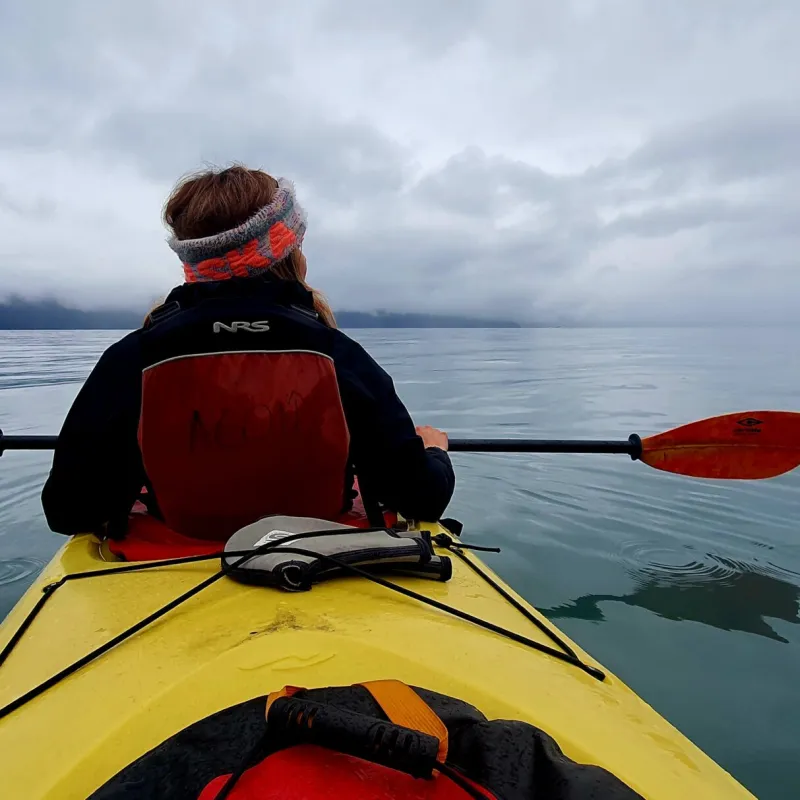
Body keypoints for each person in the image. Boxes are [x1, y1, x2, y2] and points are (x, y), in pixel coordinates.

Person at [41, 166, 455, 542]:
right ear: (288, 253)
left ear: (193, 261)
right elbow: (422, 498)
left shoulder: (133, 359)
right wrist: (433, 451)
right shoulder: (339, 355)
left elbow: (69, 509)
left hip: (172, 563)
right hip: (318, 560)